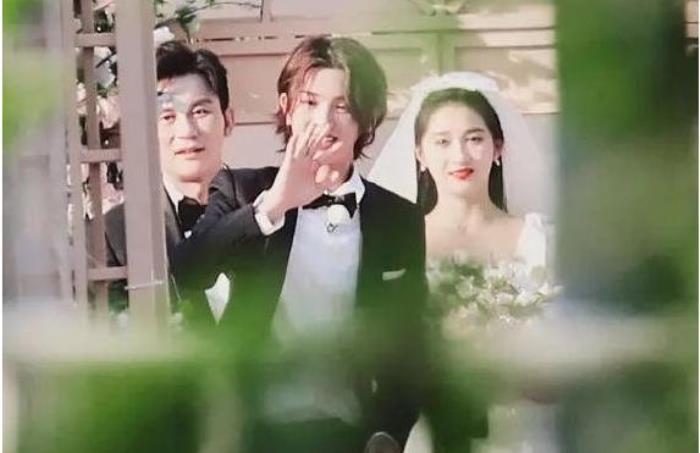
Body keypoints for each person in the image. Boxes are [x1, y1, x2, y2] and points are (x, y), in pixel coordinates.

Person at [172, 36, 426, 451]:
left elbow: (411, 344)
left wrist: (388, 435)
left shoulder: (397, 217)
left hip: (351, 434)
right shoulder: (242, 189)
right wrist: (275, 204)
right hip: (251, 433)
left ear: (366, 118)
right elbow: (187, 269)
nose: (323, 121)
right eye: (309, 102)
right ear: (287, 109)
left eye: (342, 106)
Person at [369, 72, 555, 453]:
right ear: (420, 154)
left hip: (528, 432)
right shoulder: (396, 244)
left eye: (474, 138)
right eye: (442, 141)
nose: (460, 155)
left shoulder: (541, 239)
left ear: (498, 147)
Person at [102, 40, 233, 318]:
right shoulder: (115, 232)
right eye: (168, 116)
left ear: (229, 120)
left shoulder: (270, 206)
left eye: (200, 111)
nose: (186, 131)